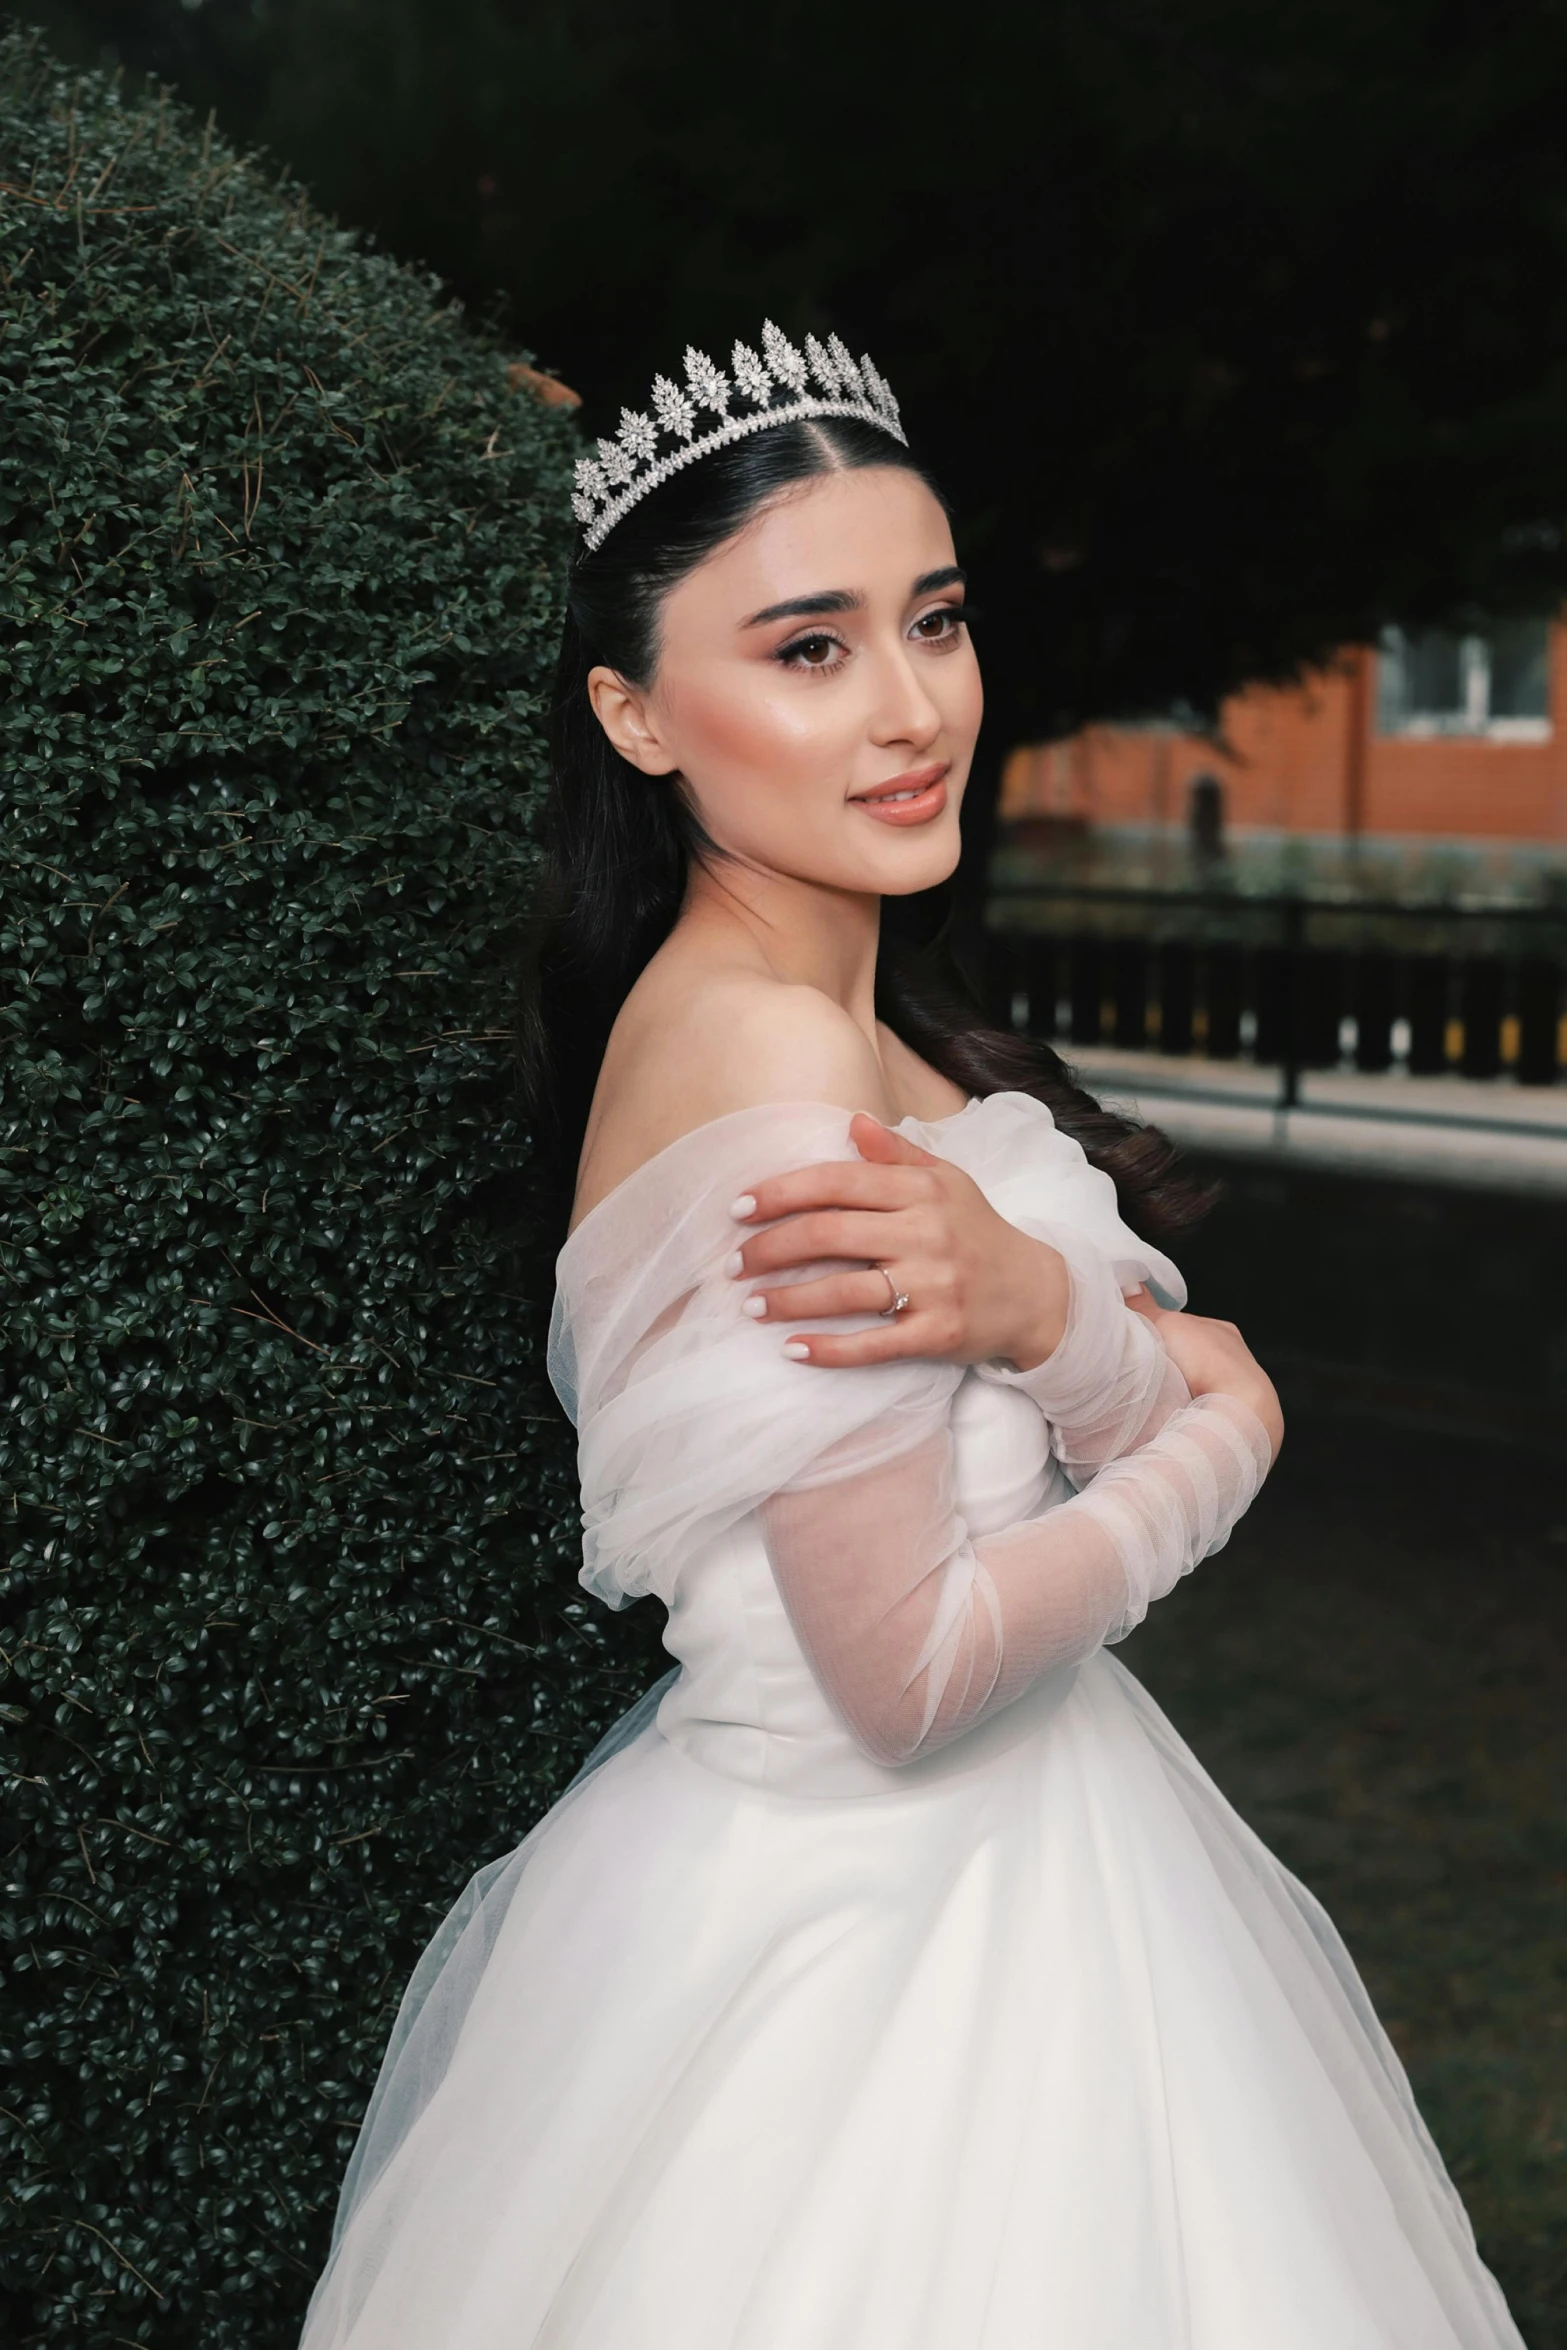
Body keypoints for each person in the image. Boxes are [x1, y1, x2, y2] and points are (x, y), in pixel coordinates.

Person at [300, 326, 1522, 2348]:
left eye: (932, 620)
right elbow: (912, 1668)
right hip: (877, 1960)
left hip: (1036, 1874)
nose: (911, 706)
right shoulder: (774, 1061)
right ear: (636, 714)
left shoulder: (853, 1019)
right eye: (807, 648)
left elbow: (1052, 1352)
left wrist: (1063, 1322)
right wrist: (1234, 1426)